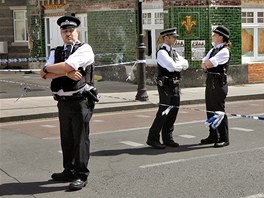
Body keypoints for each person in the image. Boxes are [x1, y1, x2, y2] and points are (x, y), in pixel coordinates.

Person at [41, 15, 97, 191]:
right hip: (63, 101)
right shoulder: (55, 51)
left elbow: (66, 66)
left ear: (77, 31)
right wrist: (64, 72)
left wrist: (54, 69)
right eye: (65, 31)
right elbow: (44, 74)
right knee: (66, 138)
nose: (68, 34)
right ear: (61, 33)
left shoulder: (85, 49)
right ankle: (69, 170)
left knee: (80, 139)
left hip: (80, 101)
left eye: (71, 30)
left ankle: (81, 175)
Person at [146, 27, 189, 149]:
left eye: (175, 37)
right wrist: (177, 65)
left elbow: (185, 64)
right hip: (165, 86)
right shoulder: (162, 52)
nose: (175, 39)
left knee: (173, 112)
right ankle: (152, 138)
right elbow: (171, 67)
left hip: (175, 85)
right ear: (166, 38)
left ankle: (167, 137)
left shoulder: (174, 52)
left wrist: (177, 65)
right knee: (164, 112)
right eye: (173, 37)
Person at [200, 25, 231, 148]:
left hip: (219, 84)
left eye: (215, 35)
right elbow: (203, 63)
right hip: (210, 82)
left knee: (219, 111)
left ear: (221, 37)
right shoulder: (213, 50)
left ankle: (224, 137)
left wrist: (207, 64)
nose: (213, 36)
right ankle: (213, 135)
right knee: (210, 110)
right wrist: (206, 64)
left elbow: (209, 63)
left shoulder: (224, 51)